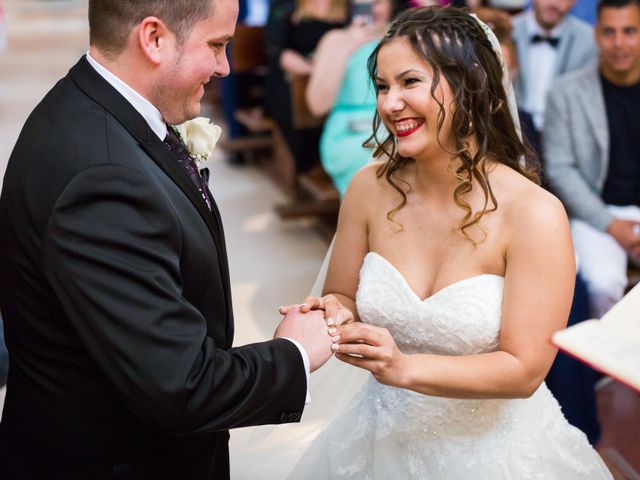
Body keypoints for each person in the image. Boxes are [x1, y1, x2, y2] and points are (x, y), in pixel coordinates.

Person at [0, 1, 335, 478]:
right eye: (217, 45)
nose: (225, 66)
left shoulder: (91, 105)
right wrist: (295, 354)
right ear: (153, 38)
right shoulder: (102, 176)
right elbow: (182, 386)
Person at [284, 7, 612, 478]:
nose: (389, 103)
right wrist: (333, 313)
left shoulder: (534, 214)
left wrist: (405, 369)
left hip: (496, 453)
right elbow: (343, 293)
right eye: (381, 85)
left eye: (409, 82)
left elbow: (524, 370)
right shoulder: (367, 189)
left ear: (471, 83)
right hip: (381, 439)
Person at [544, 0, 640, 319]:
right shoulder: (565, 92)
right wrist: (610, 224)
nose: (619, 43)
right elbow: (560, 168)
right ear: (596, 34)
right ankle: (607, 366)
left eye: (629, 32)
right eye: (609, 32)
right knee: (601, 283)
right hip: (596, 213)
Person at [305, 0, 398, 195]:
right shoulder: (335, 39)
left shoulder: (401, 36)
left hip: (393, 123)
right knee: (378, 160)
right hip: (349, 132)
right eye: (364, 4)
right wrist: (349, 45)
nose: (372, 10)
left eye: (378, 2)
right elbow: (317, 104)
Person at [263, 0, 347, 173]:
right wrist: (315, 69)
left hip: (337, 78)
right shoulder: (287, 7)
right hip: (292, 77)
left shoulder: (347, 6)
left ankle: (336, 161)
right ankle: (309, 166)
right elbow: (279, 52)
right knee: (296, 107)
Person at [512, 0, 597, 133]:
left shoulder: (589, 41)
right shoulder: (507, 31)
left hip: (565, 134)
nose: (554, 3)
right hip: (512, 133)